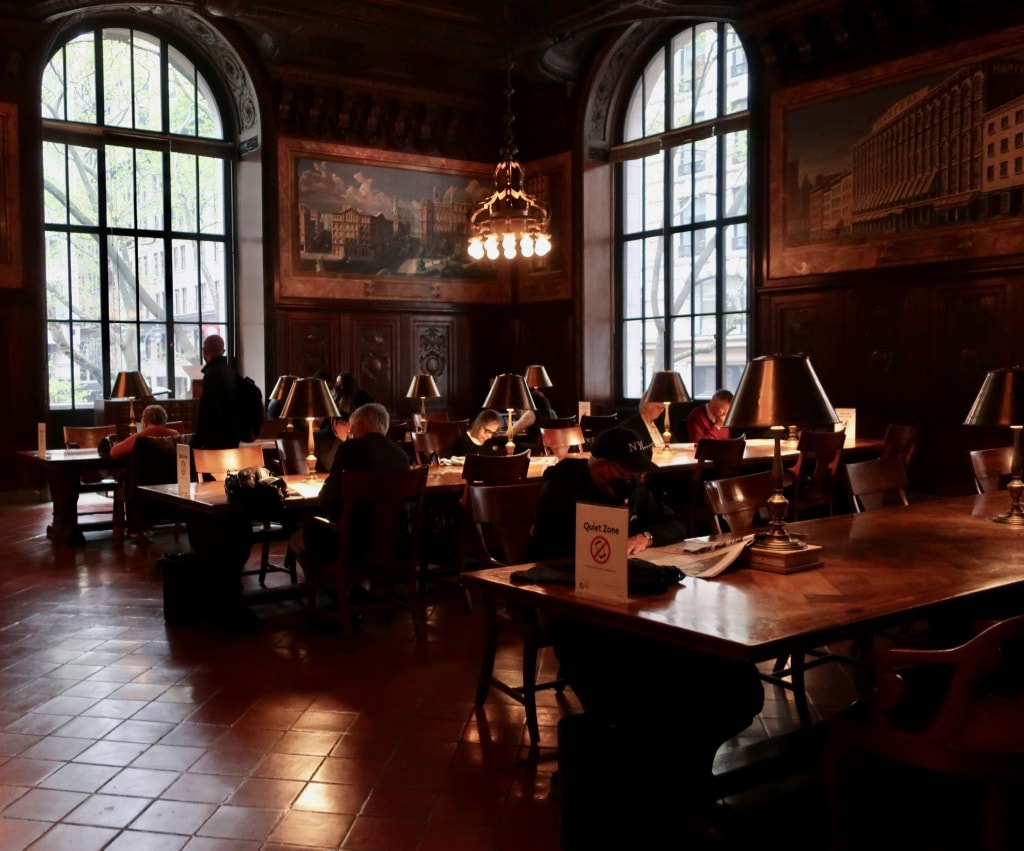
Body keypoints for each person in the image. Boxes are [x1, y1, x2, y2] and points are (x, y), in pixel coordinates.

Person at [528, 426, 764, 847]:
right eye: (628, 473)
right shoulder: (562, 494)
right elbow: (561, 560)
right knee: (653, 685)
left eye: (638, 474)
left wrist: (645, 536)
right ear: (602, 467)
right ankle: (668, 791)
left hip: (635, 607)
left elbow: (671, 521)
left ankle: (682, 784)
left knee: (728, 681)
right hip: (577, 616)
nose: (635, 481)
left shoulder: (632, 488)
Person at [294, 403, 410, 585]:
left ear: (361, 425)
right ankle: (360, 588)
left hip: (351, 545)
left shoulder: (350, 449)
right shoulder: (401, 456)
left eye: (352, 427)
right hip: (393, 543)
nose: (349, 432)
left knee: (301, 535)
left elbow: (326, 499)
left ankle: (324, 590)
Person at [190, 334, 239, 449]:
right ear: (224, 351)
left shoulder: (211, 374)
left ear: (204, 351)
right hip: (233, 439)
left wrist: (196, 442)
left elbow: (208, 411)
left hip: (214, 442)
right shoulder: (231, 372)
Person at [108, 405, 181, 459]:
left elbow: (113, 452)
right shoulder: (176, 435)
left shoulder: (139, 437)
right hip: (171, 478)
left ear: (144, 422)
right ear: (165, 421)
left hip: (143, 478)